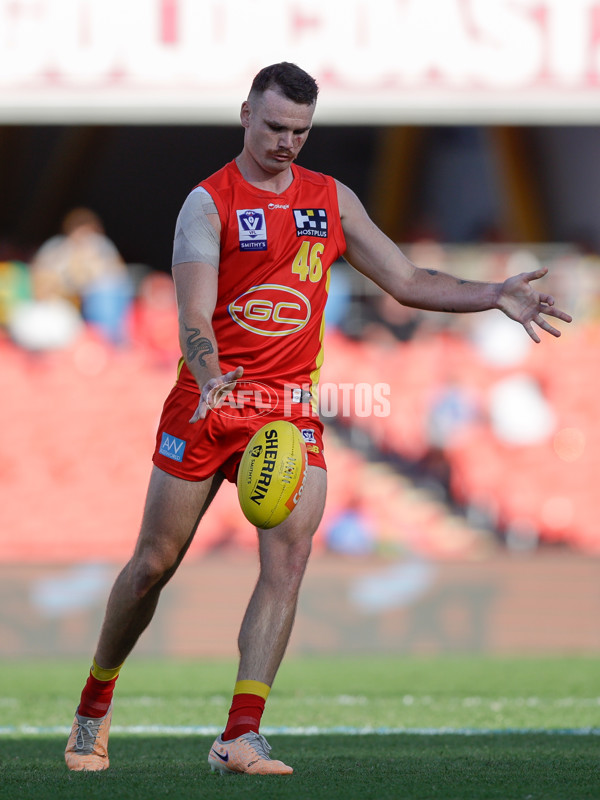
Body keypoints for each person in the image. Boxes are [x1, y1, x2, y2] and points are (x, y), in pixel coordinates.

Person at [64, 62, 572, 776]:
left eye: (300, 131)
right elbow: (191, 317)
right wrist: (211, 378)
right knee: (152, 565)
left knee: (290, 559)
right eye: (274, 127)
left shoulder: (331, 200)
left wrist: (493, 294)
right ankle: (93, 705)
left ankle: (240, 734)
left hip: (289, 407)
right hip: (210, 400)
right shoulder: (207, 204)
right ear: (245, 114)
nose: (286, 143)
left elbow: (404, 281)